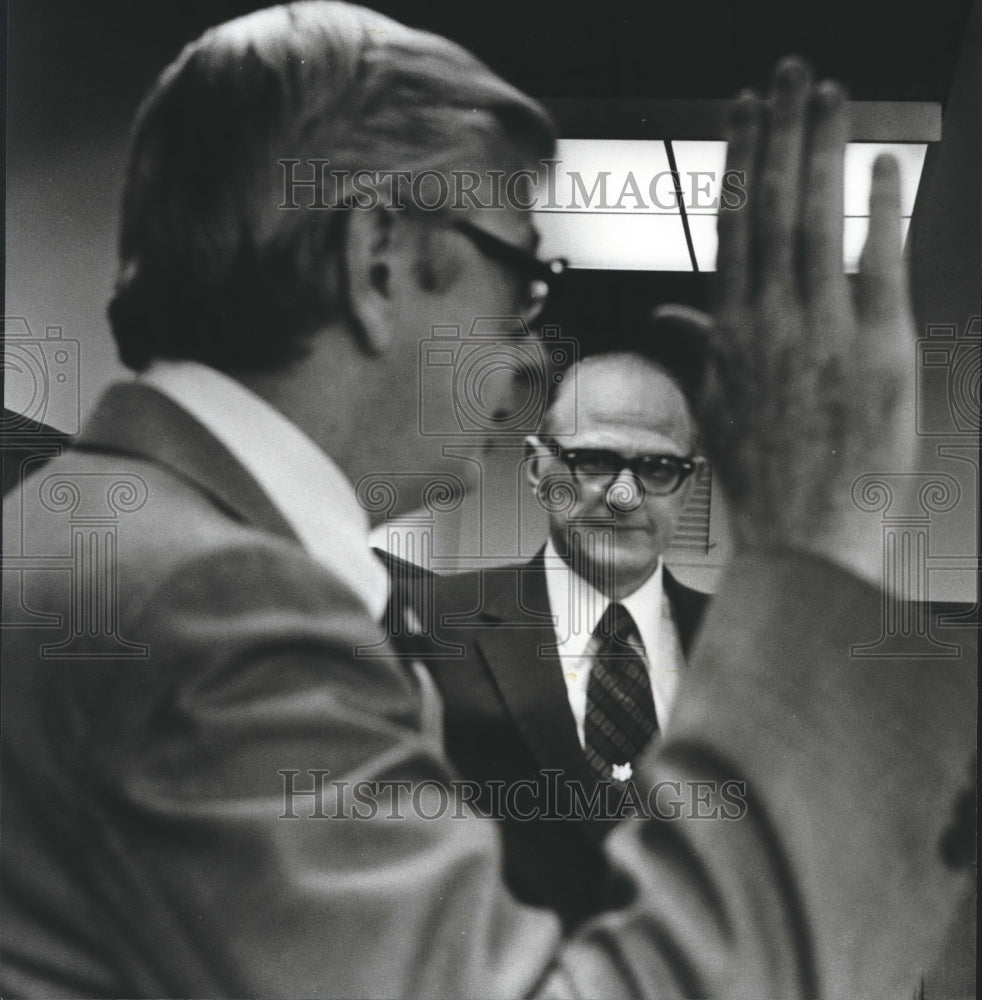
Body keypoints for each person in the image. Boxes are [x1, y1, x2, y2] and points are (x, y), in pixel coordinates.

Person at [0, 5, 973, 997]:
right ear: (377, 259)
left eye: (659, 468)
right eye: (522, 277)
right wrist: (817, 542)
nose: (521, 352)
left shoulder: (113, 537)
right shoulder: (210, 598)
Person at [424, 343, 711, 926]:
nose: (625, 495)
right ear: (537, 471)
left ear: (687, 486)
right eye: (596, 461)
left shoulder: (741, 644)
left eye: (657, 469)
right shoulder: (432, 627)